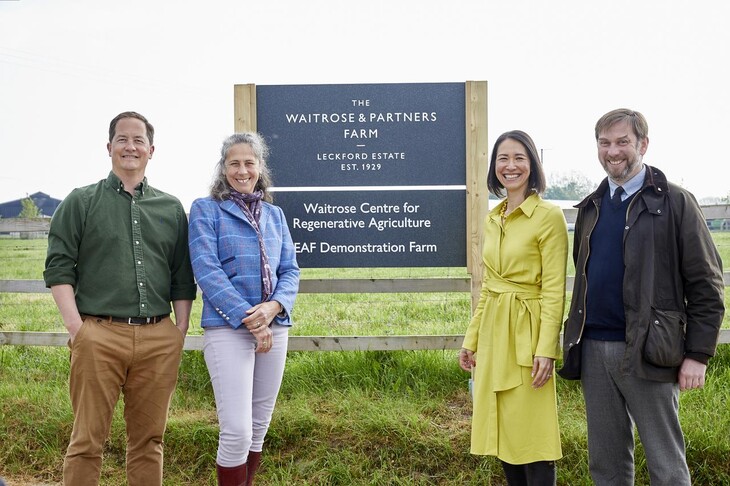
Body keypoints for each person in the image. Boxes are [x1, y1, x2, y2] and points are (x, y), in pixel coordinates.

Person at [558, 108, 725, 485]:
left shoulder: (676, 203)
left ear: (643, 145)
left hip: (650, 349)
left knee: (666, 466)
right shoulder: (590, 207)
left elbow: (707, 284)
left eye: (622, 142)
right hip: (594, 350)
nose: (612, 151)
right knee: (607, 465)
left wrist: (698, 354)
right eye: (605, 143)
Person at [43, 111, 197, 485]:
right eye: (123, 139)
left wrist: (179, 329)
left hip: (159, 338)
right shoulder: (80, 202)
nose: (131, 146)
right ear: (109, 147)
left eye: (138, 140)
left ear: (151, 150)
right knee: (86, 441)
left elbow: (181, 274)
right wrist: (78, 329)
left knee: (149, 441)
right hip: (99, 336)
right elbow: (58, 267)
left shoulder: (171, 208)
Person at [188, 132, 299, 485]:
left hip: (275, 327)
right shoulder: (206, 210)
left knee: (257, 428)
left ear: (260, 167)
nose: (242, 170)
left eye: (249, 163)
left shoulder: (275, 214)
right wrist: (252, 318)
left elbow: (290, 270)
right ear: (223, 168)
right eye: (234, 163)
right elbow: (207, 269)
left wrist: (274, 308)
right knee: (236, 430)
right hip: (228, 329)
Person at [459, 130, 568, 485]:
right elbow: (490, 285)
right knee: (504, 433)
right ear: (494, 167)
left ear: (532, 165)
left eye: (519, 158)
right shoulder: (495, 217)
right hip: (494, 335)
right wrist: (471, 340)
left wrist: (546, 349)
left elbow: (554, 290)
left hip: (527, 334)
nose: (511, 166)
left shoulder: (548, 216)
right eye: (503, 158)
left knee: (533, 437)